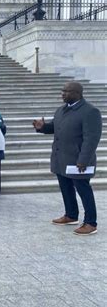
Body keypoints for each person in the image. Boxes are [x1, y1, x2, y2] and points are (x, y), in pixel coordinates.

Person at [33, 81, 102, 235]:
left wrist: (83, 159)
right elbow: (56, 127)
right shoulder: (61, 110)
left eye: (67, 91)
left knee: (83, 190)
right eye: (62, 90)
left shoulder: (90, 111)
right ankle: (71, 215)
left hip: (78, 160)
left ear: (78, 93)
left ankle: (91, 223)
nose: (63, 94)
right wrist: (43, 127)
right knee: (66, 188)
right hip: (61, 158)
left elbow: (91, 139)